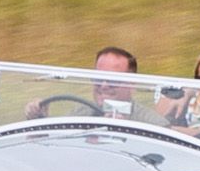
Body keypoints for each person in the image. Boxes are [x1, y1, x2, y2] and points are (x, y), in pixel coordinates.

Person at [25, 47, 170, 125]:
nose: (104, 86)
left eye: (113, 79)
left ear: (131, 84)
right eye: (99, 78)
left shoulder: (153, 124)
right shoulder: (79, 115)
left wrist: (125, 132)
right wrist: (39, 122)